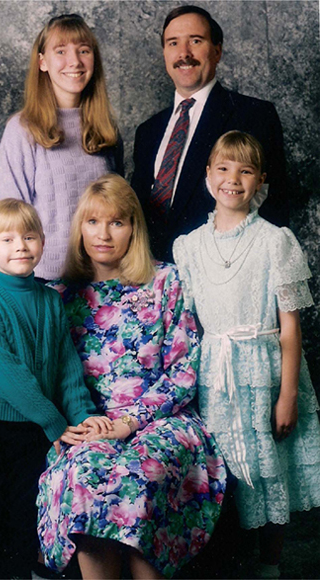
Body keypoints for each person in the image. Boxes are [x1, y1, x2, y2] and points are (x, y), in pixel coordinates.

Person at [35, 174, 226, 579]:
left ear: (133, 228)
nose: (103, 234)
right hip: (90, 423)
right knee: (84, 474)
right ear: (80, 228)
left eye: (116, 222)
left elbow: (184, 371)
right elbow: (14, 352)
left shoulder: (166, 282)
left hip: (162, 420)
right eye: (93, 222)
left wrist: (129, 422)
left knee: (143, 472)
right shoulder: (58, 296)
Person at [173, 131, 320, 579]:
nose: (232, 179)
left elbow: (291, 326)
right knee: (224, 470)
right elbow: (189, 323)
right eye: (223, 168)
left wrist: (288, 394)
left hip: (265, 369)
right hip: (214, 374)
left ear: (260, 182)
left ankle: (270, 564)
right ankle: (224, 559)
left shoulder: (277, 241)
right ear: (207, 175)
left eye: (245, 170)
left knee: (270, 466)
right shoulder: (189, 245)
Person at [0, 198, 112, 579]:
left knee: (27, 518)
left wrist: (84, 418)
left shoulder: (50, 300)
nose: (20, 247)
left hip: (32, 432)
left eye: (29, 237)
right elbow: (3, 372)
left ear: (43, 242)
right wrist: (55, 422)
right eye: (7, 240)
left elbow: (65, 367)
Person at [131, 5, 289, 262]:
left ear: (217, 50)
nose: (184, 54)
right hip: (153, 280)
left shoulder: (253, 115)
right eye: (173, 43)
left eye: (196, 41)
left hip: (223, 278)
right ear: (164, 53)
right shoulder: (148, 132)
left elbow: (275, 210)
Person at [0, 13, 123, 282]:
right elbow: (10, 221)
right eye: (61, 50)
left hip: (104, 281)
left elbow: (118, 211)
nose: (74, 61)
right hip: (45, 283)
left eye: (83, 50)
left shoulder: (106, 128)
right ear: (42, 62)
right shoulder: (22, 130)